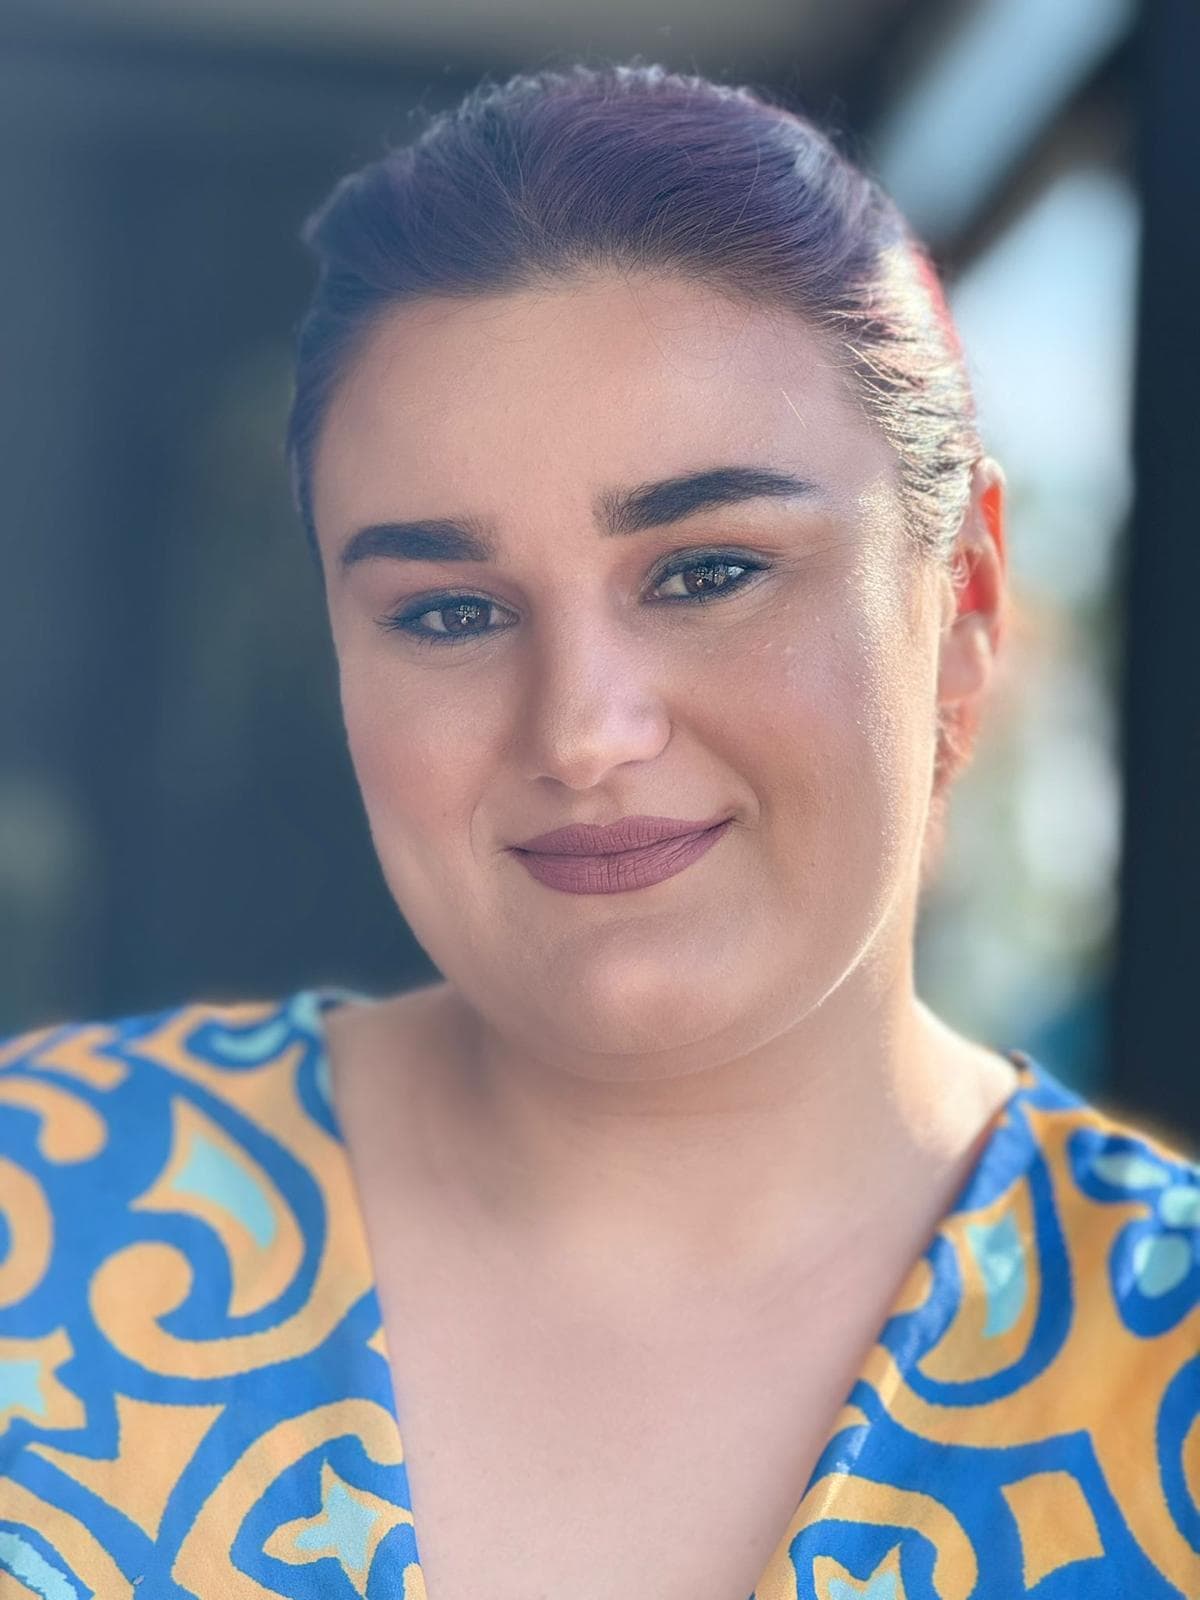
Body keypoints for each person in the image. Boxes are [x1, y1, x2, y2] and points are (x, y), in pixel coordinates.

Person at [1, 59, 1197, 1600]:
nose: (581, 731)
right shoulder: (35, 1213)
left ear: (962, 601)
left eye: (707, 572)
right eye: (447, 610)